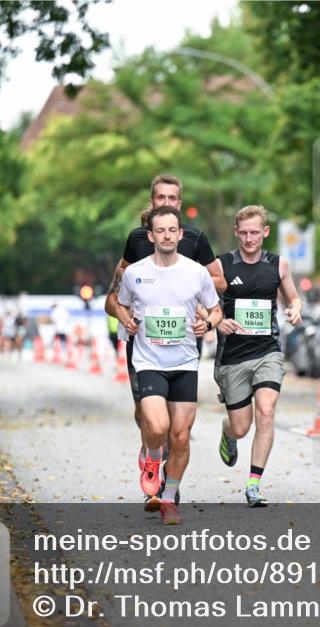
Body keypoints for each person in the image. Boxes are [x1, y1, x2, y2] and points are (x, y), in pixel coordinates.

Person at [104, 174, 226, 510]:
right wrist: (123, 316)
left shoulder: (195, 251)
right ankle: (152, 457)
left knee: (181, 432)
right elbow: (114, 298)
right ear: (152, 204)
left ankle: (168, 494)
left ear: (180, 213)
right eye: (161, 198)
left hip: (185, 352)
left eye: (173, 199)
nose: (167, 204)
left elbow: (218, 289)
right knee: (153, 422)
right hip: (145, 351)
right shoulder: (135, 253)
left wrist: (208, 316)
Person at [213, 205, 302, 508]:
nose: (250, 238)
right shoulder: (222, 265)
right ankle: (228, 434)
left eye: (255, 232)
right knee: (241, 426)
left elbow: (294, 296)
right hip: (233, 356)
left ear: (265, 232)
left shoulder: (278, 265)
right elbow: (197, 297)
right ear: (236, 232)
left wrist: (296, 308)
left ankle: (253, 484)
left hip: (267, 352)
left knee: (266, 410)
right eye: (244, 233)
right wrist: (215, 320)